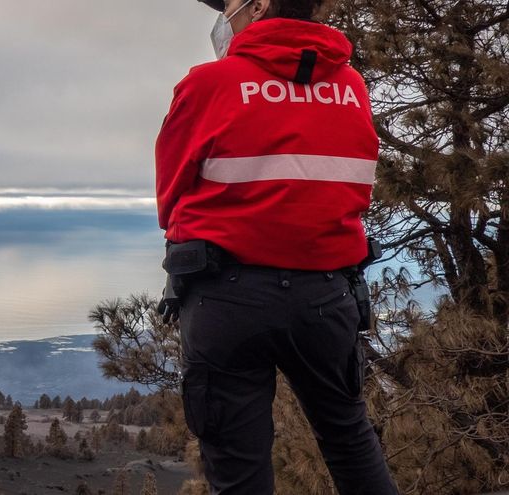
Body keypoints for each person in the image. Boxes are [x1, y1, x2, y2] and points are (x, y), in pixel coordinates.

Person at [154, 0, 400, 493]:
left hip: (227, 300)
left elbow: (171, 193)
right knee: (349, 440)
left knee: (238, 469)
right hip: (327, 298)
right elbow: (355, 191)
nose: (226, 15)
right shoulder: (352, 88)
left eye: (229, 5)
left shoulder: (208, 85)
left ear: (259, 3)